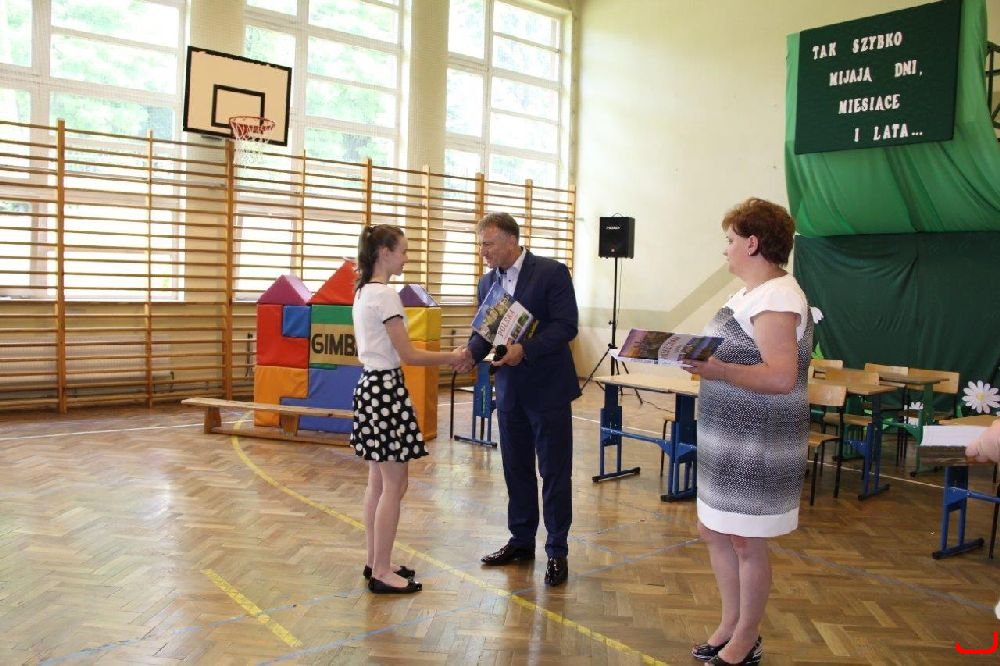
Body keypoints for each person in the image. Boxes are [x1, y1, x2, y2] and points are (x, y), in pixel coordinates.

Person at [681, 198, 813, 666]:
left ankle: (747, 637)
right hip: (726, 438)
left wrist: (715, 369)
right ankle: (729, 623)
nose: (726, 249)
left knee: (745, 540)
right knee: (714, 529)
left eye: (731, 240)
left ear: (753, 243)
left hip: (758, 441)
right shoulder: (749, 294)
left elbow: (780, 377)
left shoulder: (778, 297)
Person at [456, 212, 581, 586]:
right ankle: (522, 541)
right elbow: (485, 332)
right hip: (510, 391)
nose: (483, 252)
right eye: (480, 245)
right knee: (516, 469)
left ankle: (556, 551)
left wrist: (525, 350)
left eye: (488, 244)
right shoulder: (486, 282)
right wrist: (469, 354)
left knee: (554, 472)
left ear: (512, 240)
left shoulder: (551, 273)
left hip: (548, 389)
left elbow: (566, 326)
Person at [352, 224, 466, 594]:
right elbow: (410, 354)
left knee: (378, 482)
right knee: (395, 484)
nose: (406, 257)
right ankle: (382, 571)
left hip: (371, 387)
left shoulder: (363, 292)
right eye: (403, 251)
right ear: (384, 253)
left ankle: (375, 560)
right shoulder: (385, 295)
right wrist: (453, 357)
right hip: (385, 390)